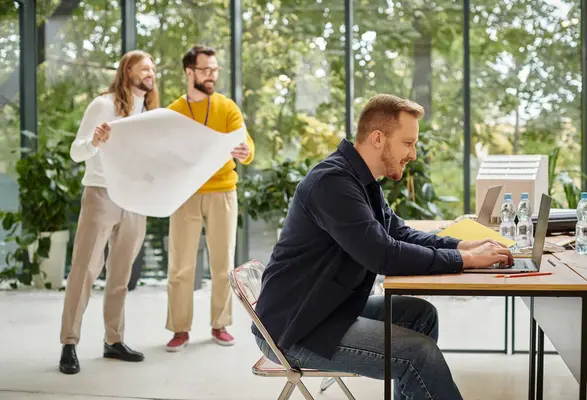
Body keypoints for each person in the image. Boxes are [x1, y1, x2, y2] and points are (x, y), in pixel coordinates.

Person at [251, 94, 513, 399]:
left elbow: (398, 232)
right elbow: (383, 255)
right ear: (378, 138)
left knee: (421, 315)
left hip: (328, 308)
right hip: (297, 328)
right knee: (418, 354)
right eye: (408, 143)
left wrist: (462, 244)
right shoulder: (332, 183)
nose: (413, 154)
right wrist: (464, 259)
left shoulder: (361, 180)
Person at [59, 50, 160, 375]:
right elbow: (77, 152)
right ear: (127, 69)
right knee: (84, 269)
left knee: (120, 275)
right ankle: (69, 343)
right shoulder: (102, 105)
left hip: (134, 200)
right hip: (101, 193)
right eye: (145, 67)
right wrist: (96, 142)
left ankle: (113, 340)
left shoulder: (149, 113)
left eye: (154, 69)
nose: (151, 73)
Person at [165, 44, 255, 351]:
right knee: (180, 266)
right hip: (185, 193)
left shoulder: (227, 107)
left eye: (215, 70)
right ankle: (180, 329)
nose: (212, 75)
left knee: (222, 263)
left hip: (223, 192)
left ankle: (220, 324)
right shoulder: (175, 110)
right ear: (189, 72)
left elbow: (246, 145)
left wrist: (245, 151)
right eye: (206, 70)